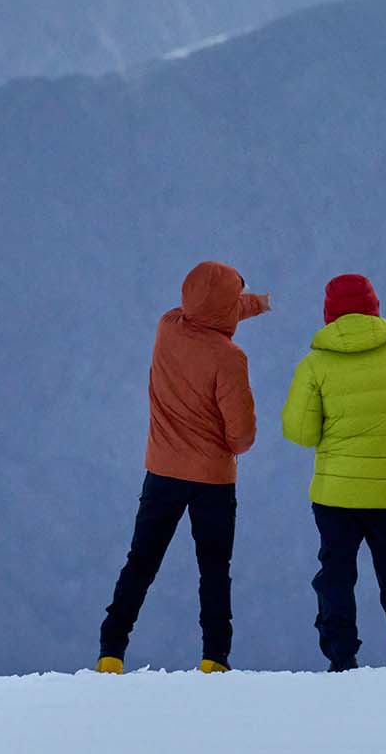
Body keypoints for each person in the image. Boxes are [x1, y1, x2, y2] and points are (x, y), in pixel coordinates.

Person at [95, 261, 269, 674]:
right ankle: (214, 658)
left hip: (163, 473)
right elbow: (242, 436)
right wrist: (226, 447)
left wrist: (257, 304)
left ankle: (111, 652)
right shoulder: (230, 358)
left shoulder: (167, 327)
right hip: (213, 480)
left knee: (141, 562)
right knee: (213, 570)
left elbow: (210, 308)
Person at [280, 272, 386, 671]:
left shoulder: (315, 365)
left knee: (336, 578)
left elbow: (300, 432)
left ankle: (341, 660)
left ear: (329, 314)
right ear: (375, 307)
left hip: (334, 495)